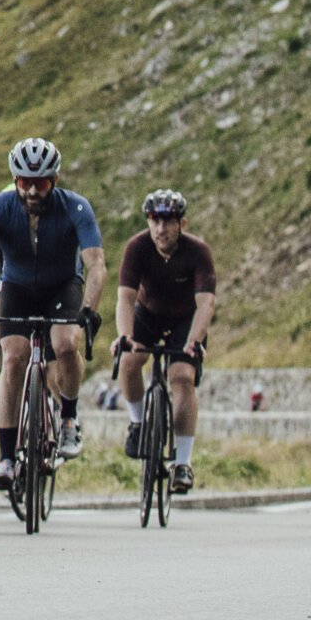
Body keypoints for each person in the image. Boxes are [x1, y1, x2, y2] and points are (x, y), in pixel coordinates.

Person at [0, 138, 104, 469]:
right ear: (15, 181)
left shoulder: (76, 207)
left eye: (41, 183)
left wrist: (88, 308)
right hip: (17, 287)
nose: (32, 191)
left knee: (64, 345)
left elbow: (96, 265)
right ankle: (5, 458)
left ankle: (69, 420)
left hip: (63, 286)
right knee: (14, 358)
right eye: (24, 183)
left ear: (55, 180)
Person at [112, 188, 215, 493]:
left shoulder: (198, 251)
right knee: (128, 362)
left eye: (168, 221)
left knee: (182, 377)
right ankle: (138, 422)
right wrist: (124, 336)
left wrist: (194, 341)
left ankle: (182, 463)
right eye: (154, 220)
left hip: (186, 319)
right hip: (149, 313)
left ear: (182, 224)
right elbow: (125, 299)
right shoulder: (137, 247)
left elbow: (206, 304)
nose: (160, 228)